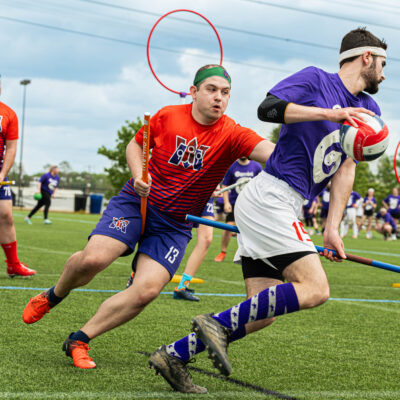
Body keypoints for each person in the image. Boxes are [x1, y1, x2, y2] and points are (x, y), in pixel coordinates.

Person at [148, 27, 387, 393]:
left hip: (287, 203)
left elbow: (347, 167)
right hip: (270, 196)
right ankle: (215, 324)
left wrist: (333, 227)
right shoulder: (315, 80)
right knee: (315, 289)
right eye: (382, 63)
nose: (384, 74)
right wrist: (330, 113)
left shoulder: (370, 110)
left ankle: (173, 354)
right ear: (365, 58)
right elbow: (268, 109)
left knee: (261, 314)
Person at [22, 64, 275, 373]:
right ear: (193, 92)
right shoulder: (168, 115)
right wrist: (137, 173)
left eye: (225, 93)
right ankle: (53, 295)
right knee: (93, 260)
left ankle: (79, 339)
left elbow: (273, 154)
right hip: (137, 202)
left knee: (146, 290)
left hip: (175, 224)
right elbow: (136, 145)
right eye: (211, 90)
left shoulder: (233, 134)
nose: (219, 98)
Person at [0, 90, 36, 277]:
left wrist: (2, 173)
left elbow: (11, 147)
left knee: (5, 215)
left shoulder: (9, 113)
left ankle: (13, 264)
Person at [214, 158, 262, 262]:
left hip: (251, 203)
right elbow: (225, 185)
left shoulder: (257, 166)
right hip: (235, 202)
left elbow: (261, 184)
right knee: (228, 226)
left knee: (252, 228)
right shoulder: (232, 167)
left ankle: (252, 253)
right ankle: (223, 251)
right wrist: (226, 202)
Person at [172, 196, 216, 302]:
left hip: (206, 195)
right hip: (186, 189)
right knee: (169, 232)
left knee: (206, 239)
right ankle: (135, 277)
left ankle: (182, 287)